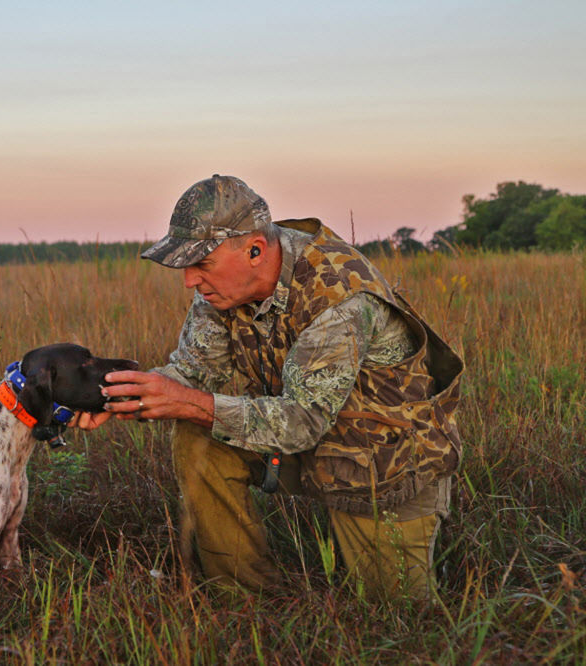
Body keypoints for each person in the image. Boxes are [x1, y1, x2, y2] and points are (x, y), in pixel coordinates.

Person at [78, 175, 463, 599]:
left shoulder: (340, 298)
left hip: (381, 468)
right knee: (196, 432)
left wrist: (189, 402)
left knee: (396, 617)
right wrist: (109, 395)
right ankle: (243, 598)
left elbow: (301, 421)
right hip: (306, 439)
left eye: (201, 265)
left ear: (255, 250)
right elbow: (193, 372)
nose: (189, 281)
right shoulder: (222, 289)